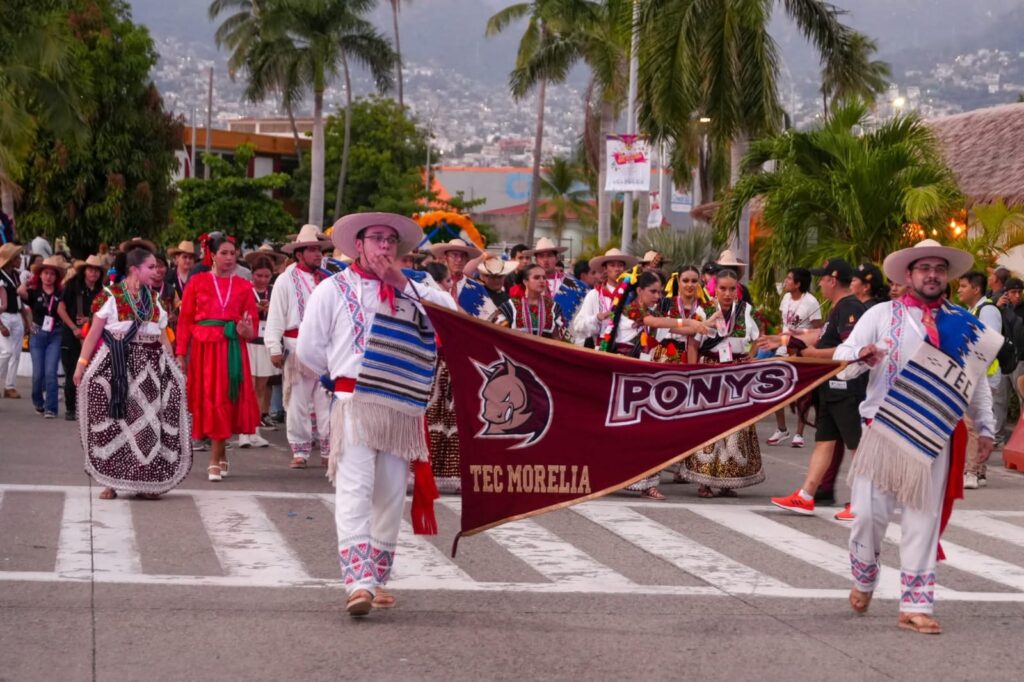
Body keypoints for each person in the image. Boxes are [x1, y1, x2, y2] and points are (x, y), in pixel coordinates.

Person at [835, 239, 999, 635]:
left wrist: (986, 425)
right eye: (924, 268)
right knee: (868, 516)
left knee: (922, 522)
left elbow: (976, 382)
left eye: (939, 269)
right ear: (908, 275)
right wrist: (862, 356)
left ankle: (915, 605)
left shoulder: (963, 325)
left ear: (947, 276)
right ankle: (865, 576)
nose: (932, 275)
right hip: (882, 430)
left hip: (933, 433)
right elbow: (842, 360)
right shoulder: (880, 314)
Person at [296, 212, 456, 617]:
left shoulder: (413, 287)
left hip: (400, 406)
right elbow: (309, 350)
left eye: (391, 240)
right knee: (355, 488)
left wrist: (400, 283)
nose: (384, 246)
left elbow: (451, 315)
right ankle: (358, 581)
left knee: (389, 492)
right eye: (377, 238)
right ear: (359, 244)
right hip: (354, 402)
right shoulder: (332, 290)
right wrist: (341, 376)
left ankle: (378, 577)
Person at [73, 248, 191, 500]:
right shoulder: (110, 296)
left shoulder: (155, 299)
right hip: (117, 366)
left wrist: (172, 365)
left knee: (148, 425)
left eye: (157, 267)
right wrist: (81, 365)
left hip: (150, 368)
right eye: (151, 267)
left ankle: (146, 482)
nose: (157, 271)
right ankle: (111, 481)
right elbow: (93, 334)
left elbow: (162, 337)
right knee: (114, 423)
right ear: (134, 269)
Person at [763, 259, 867, 517]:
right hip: (831, 387)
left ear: (833, 280)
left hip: (846, 387)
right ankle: (806, 495)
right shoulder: (838, 307)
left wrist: (814, 355)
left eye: (822, 278)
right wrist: (780, 339)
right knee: (824, 441)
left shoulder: (851, 307)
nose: (819, 283)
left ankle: (865, 502)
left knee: (857, 446)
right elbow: (817, 336)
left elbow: (851, 349)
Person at [606, 269, 710, 499]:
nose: (657, 296)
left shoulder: (650, 312)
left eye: (660, 292)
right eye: (652, 291)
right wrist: (688, 321)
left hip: (642, 377)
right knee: (626, 432)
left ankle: (646, 483)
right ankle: (616, 476)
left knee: (647, 430)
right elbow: (654, 322)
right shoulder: (632, 310)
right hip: (624, 375)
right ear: (639, 291)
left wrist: (703, 326)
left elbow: (674, 328)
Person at [174, 233, 260, 482]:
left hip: (231, 348)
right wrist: (180, 352)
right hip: (204, 349)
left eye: (233, 253)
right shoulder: (197, 282)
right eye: (224, 253)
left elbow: (252, 326)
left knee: (225, 397)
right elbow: (185, 319)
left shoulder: (244, 285)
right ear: (212, 255)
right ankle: (220, 453)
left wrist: (246, 330)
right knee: (210, 399)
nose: (229, 258)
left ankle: (214, 459)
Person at [682, 268, 765, 497]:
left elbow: (759, 336)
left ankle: (728, 480)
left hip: (737, 375)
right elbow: (693, 344)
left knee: (734, 425)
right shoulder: (705, 310)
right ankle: (704, 481)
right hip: (710, 372)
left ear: (737, 290)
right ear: (715, 289)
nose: (727, 294)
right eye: (723, 289)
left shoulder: (746, 310)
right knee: (710, 423)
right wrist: (692, 374)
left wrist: (752, 355)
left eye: (731, 289)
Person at [264, 225, 334, 468]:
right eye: (312, 250)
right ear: (299, 253)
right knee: (297, 402)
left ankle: (329, 450)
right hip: (296, 348)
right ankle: (300, 451)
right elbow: (276, 315)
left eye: (319, 249)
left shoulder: (328, 280)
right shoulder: (285, 280)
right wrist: (274, 347)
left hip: (326, 349)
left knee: (327, 402)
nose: (318, 254)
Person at [766, 267, 821, 447]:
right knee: (776, 389)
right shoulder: (786, 298)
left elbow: (818, 329)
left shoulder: (811, 302)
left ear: (798, 284)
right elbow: (784, 323)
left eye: (789, 279)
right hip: (783, 349)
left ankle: (799, 434)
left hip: (801, 352)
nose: (786, 281)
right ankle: (782, 429)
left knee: (802, 393)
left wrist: (805, 344)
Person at [957, 271, 1002, 490]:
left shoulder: (988, 310)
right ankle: (979, 470)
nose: (959, 290)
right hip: (973, 374)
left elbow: (989, 345)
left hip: (983, 376)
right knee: (973, 423)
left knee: (973, 423)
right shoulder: (971, 311)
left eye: (963, 286)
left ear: (976, 289)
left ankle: (972, 471)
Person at [57, 256, 104, 420]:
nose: (94, 273)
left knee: (92, 372)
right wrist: (74, 327)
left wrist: (88, 320)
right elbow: (60, 309)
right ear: (84, 271)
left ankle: (88, 407)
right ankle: (71, 408)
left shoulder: (102, 290)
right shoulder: (72, 286)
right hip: (72, 335)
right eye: (90, 269)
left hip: (92, 336)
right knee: (72, 371)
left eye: (97, 270)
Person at [240, 254, 280, 447]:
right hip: (248, 342)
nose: (263, 280)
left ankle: (255, 430)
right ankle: (244, 431)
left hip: (265, 342)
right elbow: (238, 312)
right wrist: (253, 309)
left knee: (261, 389)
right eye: (259, 275)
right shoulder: (245, 290)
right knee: (248, 386)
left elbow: (281, 314)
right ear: (252, 273)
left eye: (266, 276)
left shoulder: (274, 292)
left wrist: (272, 309)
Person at [19, 256, 66, 417]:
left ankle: (51, 408)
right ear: (39, 275)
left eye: (52, 274)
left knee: (51, 371)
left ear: (56, 277)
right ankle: (38, 402)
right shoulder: (34, 292)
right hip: (38, 333)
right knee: (38, 373)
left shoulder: (61, 293)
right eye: (45, 273)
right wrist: (27, 282)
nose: (48, 277)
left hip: (56, 333)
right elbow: (20, 292)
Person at [572, 248, 639, 349]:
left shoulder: (631, 295)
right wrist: (597, 318)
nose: (617, 269)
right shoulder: (594, 295)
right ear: (605, 269)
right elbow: (578, 325)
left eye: (620, 265)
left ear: (624, 269)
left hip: (625, 350)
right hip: (599, 349)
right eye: (612, 265)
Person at [492, 263, 570, 341]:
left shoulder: (554, 307)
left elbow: (558, 339)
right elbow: (499, 337)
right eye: (536, 278)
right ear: (525, 281)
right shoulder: (510, 307)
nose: (542, 281)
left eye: (544, 277)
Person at [523, 237, 588, 326]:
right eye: (541, 256)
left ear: (556, 258)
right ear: (536, 260)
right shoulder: (528, 284)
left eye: (549, 255)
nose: (545, 260)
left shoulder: (575, 285)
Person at [429, 238, 495, 320]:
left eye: (463, 256)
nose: (459, 259)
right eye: (454, 255)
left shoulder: (477, 288)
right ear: (446, 257)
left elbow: (491, 318)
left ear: (467, 259)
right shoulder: (434, 284)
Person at [0, 243, 30, 399]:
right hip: (3, 316)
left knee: (16, 353)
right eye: (17, 257)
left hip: (16, 314)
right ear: (10, 259)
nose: (20, 260)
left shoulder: (16, 275)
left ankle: (9, 386)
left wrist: (26, 320)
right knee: (7, 351)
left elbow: (20, 300)